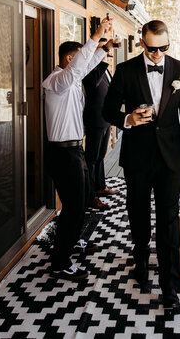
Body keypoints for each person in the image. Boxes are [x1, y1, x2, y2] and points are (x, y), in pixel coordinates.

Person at [102, 20, 180, 309]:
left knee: (169, 220)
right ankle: (141, 259)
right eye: (153, 48)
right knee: (138, 212)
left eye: (164, 48)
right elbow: (107, 109)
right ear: (142, 43)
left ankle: (170, 287)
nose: (158, 54)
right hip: (137, 156)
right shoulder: (125, 71)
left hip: (170, 157)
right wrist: (128, 119)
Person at [43, 18, 117, 282]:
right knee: (73, 208)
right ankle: (60, 263)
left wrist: (104, 45)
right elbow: (77, 68)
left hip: (74, 151)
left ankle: (72, 243)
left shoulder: (70, 80)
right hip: (62, 154)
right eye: (76, 59)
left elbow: (87, 64)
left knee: (81, 201)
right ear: (68, 58)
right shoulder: (56, 81)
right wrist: (96, 36)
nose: (79, 64)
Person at [83, 39, 119, 211]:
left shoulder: (106, 70)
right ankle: (91, 196)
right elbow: (92, 85)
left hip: (105, 119)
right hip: (95, 119)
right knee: (91, 158)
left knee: (100, 155)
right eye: (102, 48)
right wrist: (101, 58)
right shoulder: (91, 70)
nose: (107, 51)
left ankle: (100, 186)